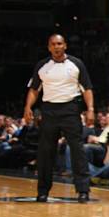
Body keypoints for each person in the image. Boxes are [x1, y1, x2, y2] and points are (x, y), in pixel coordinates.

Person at [23, 34, 94, 203]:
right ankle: (42, 191)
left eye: (59, 43)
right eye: (53, 44)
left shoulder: (76, 64)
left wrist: (90, 109)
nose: (56, 46)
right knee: (45, 152)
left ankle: (83, 190)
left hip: (70, 109)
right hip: (49, 111)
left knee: (77, 150)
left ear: (65, 46)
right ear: (49, 47)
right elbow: (34, 89)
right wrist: (27, 107)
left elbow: (87, 89)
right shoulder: (42, 66)